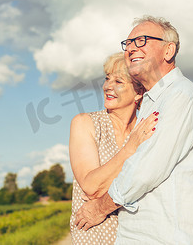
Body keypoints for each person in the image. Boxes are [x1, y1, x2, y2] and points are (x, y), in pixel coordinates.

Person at [75, 16, 193, 244]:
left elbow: (144, 170)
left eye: (141, 40)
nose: (131, 48)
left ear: (168, 51)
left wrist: (99, 208)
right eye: (128, 43)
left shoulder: (181, 95)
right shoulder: (152, 102)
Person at [69, 52, 159, 244]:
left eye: (118, 81)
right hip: (93, 235)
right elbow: (92, 187)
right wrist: (130, 148)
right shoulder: (86, 123)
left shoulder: (146, 128)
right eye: (107, 79)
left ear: (139, 92)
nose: (107, 86)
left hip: (139, 236)